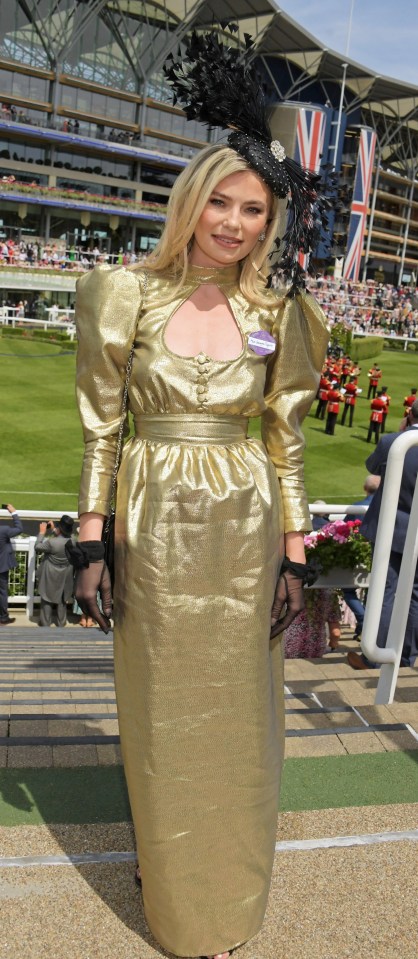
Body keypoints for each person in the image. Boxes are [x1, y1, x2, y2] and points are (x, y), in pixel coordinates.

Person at [66, 25, 330, 959]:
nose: (233, 222)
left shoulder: (279, 311)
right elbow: (104, 425)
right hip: (152, 523)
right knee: (160, 710)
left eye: (253, 209)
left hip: (248, 525)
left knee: (239, 716)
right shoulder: (123, 294)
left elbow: (285, 437)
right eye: (219, 200)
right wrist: (92, 539)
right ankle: (171, 882)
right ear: (191, 201)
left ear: (271, 220)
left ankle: (224, 897)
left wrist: (299, 553)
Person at [347, 400, 418, 670]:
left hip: (393, 528)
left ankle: (375, 655)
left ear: (409, 415)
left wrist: (401, 432)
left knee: (386, 591)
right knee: (414, 593)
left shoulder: (393, 441)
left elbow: (372, 466)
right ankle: (406, 656)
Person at [35, 515, 74, 627]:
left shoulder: (51, 542)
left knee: (46, 598)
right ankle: (61, 623)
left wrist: (42, 532)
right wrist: (54, 530)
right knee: (62, 599)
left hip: (50, 574)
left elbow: (37, 546)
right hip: (65, 574)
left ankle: (45, 623)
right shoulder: (73, 541)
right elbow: (62, 540)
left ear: (60, 528)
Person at [0, 504, 23, 625]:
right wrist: (13, 512)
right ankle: (3, 618)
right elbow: (19, 528)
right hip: (2, 567)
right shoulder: (4, 530)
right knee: (2, 592)